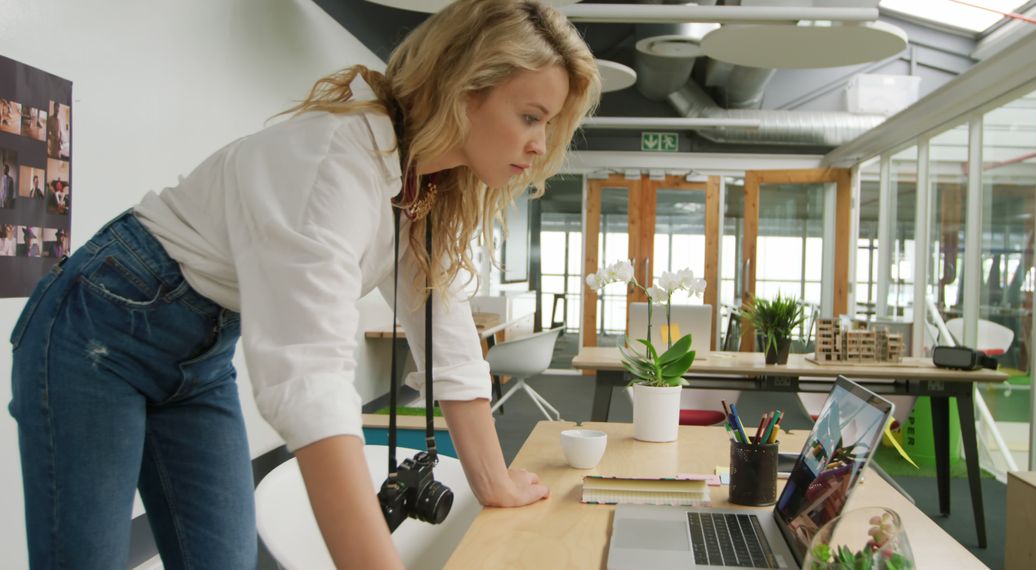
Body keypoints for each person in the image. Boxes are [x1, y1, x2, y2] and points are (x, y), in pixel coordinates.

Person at [8, 0, 600, 568]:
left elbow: (443, 331)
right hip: (98, 326)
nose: (540, 146)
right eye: (530, 117)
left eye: (548, 125)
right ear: (463, 88)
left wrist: (493, 482)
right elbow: (311, 382)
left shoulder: (418, 183)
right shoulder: (330, 163)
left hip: (199, 354)